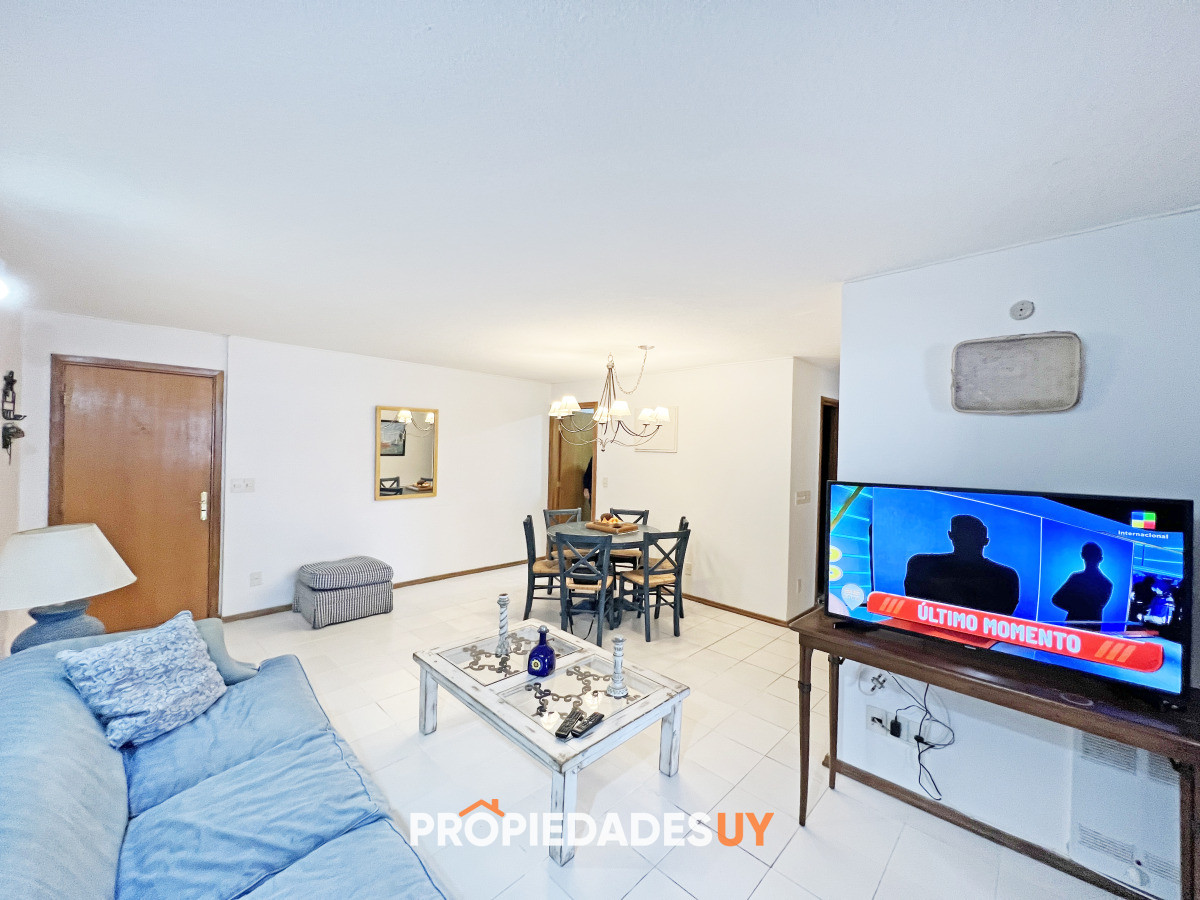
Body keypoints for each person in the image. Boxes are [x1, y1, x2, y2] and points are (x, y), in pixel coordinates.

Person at [904, 515, 1020, 615]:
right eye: (963, 535)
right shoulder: (921, 564)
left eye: (972, 536)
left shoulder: (1006, 577)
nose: (967, 540)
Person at [1051, 542, 1113, 629]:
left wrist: (1075, 608)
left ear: (1082, 555)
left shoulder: (1076, 578)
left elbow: (1056, 599)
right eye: (1089, 555)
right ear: (1100, 559)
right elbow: (1056, 599)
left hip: (1083, 629)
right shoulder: (1106, 584)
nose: (1090, 559)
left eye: (1092, 555)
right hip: (1079, 628)